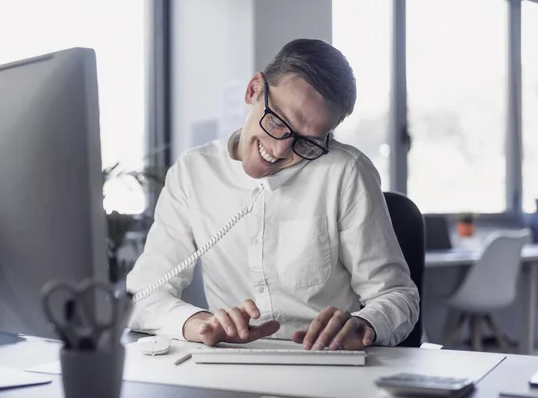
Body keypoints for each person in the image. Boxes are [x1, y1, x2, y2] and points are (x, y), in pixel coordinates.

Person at [126, 38, 419, 350]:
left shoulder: (346, 172)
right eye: (278, 121)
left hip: (327, 365)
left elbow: (398, 296)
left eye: (307, 142)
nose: (280, 150)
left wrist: (366, 324)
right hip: (234, 365)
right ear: (254, 90)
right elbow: (143, 297)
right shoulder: (192, 173)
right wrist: (200, 324)